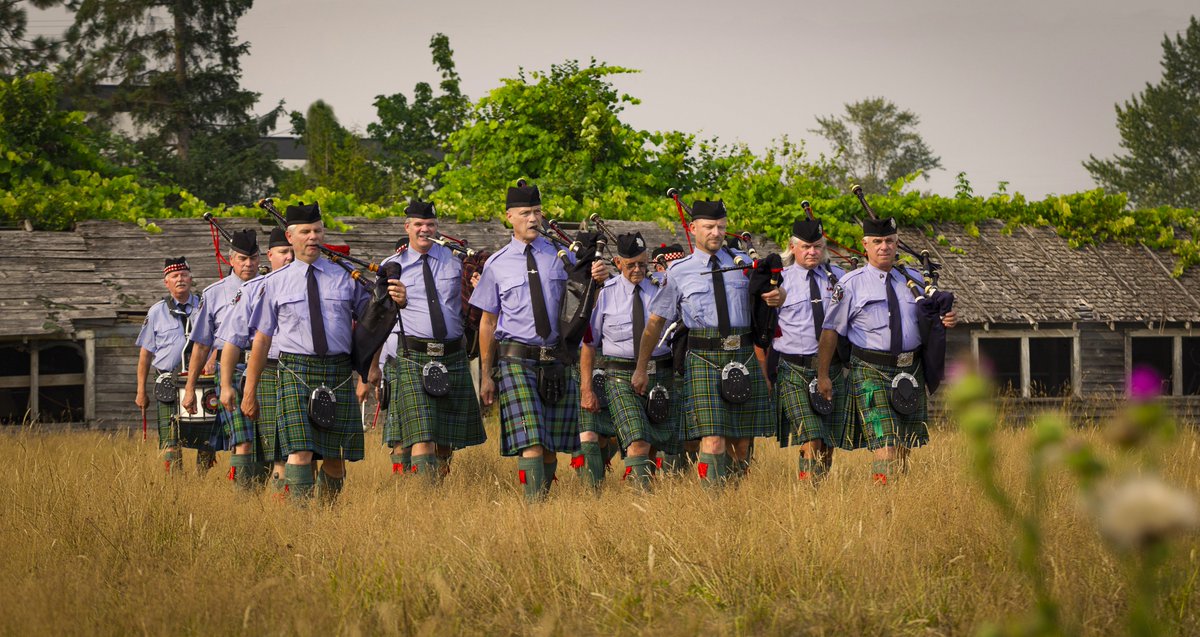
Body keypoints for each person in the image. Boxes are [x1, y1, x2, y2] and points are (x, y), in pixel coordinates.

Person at [470, 181, 606, 502]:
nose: (533, 219)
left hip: (556, 358)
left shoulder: (561, 257)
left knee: (548, 447)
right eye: (525, 213)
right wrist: (486, 375)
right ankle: (532, 508)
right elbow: (487, 322)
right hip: (515, 360)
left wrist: (596, 280)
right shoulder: (496, 264)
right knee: (530, 439)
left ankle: (542, 510)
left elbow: (583, 302)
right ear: (509, 217)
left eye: (537, 212)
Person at [632, 200, 784, 487]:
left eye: (721, 227)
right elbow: (655, 323)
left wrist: (779, 296)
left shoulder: (744, 264)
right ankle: (713, 500)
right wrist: (641, 367)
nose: (716, 232)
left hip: (742, 352)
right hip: (703, 357)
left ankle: (734, 494)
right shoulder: (678, 271)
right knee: (713, 437)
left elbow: (774, 293)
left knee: (741, 442)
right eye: (709, 227)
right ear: (693, 229)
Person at [240, 203, 371, 503]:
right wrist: (250, 391)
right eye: (305, 232)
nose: (312, 237)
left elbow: (372, 321)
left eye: (317, 231)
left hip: (338, 371)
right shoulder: (274, 283)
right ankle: (300, 522)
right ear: (290, 236)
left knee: (335, 458)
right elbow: (261, 341)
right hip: (295, 372)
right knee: (298, 452)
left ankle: (327, 517)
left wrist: (395, 300)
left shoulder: (344, 276)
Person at [816, 216, 957, 484]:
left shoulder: (916, 281)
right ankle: (883, 500)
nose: (884, 247)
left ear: (897, 244)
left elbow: (932, 321)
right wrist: (823, 374)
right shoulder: (850, 284)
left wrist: (947, 319)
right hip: (871, 370)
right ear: (865, 245)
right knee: (887, 443)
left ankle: (897, 499)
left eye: (890, 241)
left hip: (910, 368)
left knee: (903, 445)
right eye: (878, 242)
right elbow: (830, 330)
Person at [378, 199, 486, 484]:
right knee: (422, 434)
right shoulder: (392, 267)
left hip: (452, 352)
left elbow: (470, 305)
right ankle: (422, 497)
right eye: (418, 225)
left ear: (437, 227)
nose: (424, 230)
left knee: (445, 439)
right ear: (407, 227)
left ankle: (436, 489)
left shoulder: (455, 261)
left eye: (430, 225)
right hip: (414, 355)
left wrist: (480, 288)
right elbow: (378, 319)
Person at [581, 232, 681, 490]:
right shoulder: (605, 294)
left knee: (653, 445)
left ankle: (651, 498)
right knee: (638, 441)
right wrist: (586, 389)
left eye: (642, 263)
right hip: (621, 377)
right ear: (617, 262)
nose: (637, 270)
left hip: (660, 374)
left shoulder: (663, 287)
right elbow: (589, 344)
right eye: (630, 265)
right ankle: (641, 503)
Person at [216, 228, 294, 494]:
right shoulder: (253, 290)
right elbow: (232, 340)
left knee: (301, 448)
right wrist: (227, 385)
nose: (290, 258)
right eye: (284, 252)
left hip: (303, 370)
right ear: (270, 255)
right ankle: (253, 499)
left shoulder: (314, 284)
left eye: (292, 252)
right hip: (267, 371)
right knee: (274, 449)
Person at [182, 229, 261, 490]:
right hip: (232, 369)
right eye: (242, 259)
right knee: (243, 439)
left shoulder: (270, 286)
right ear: (230, 260)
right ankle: (244, 498)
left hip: (267, 369)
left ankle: (265, 492)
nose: (248, 264)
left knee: (266, 438)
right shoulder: (214, 293)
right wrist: (191, 388)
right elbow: (201, 344)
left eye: (253, 258)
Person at [773, 217, 850, 483]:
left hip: (833, 366)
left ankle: (820, 488)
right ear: (792, 247)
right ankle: (808, 492)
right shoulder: (779, 280)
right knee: (811, 436)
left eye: (817, 246)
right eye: (806, 246)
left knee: (828, 442)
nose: (812, 252)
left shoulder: (838, 277)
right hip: (795, 367)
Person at [134, 257, 206, 473]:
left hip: (201, 381)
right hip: (167, 381)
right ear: (167, 282)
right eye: (174, 276)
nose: (180, 279)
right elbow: (145, 355)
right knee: (170, 437)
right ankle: (175, 483)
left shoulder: (204, 305)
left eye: (184, 275)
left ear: (191, 278)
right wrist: (140, 391)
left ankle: (203, 483)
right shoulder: (156, 312)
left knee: (205, 434)